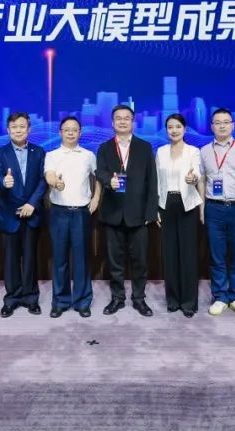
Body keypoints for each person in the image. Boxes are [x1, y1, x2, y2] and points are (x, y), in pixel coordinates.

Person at [95, 104, 159, 317]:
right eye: (118, 118)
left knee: (140, 261)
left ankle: (139, 299)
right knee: (115, 261)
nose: (122, 121)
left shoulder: (144, 147)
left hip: (138, 214)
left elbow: (152, 181)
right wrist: (108, 180)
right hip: (112, 212)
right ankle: (117, 298)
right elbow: (100, 171)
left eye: (126, 118)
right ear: (112, 122)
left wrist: (151, 211)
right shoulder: (104, 147)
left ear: (133, 122)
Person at [199, 108, 235, 317]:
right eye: (217, 122)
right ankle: (220, 297)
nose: (222, 126)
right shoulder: (204, 151)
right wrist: (202, 208)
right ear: (211, 126)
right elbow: (202, 179)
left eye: (226, 122)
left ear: (233, 125)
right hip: (214, 208)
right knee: (217, 256)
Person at [0, 112, 47, 317]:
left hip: (32, 213)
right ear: (8, 130)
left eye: (22, 126)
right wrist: (3, 182)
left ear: (29, 129)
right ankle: (12, 299)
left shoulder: (39, 152)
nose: (18, 130)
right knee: (10, 260)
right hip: (9, 215)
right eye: (14, 127)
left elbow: (43, 180)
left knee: (31, 259)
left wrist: (32, 203)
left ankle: (31, 298)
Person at [44, 116, 99, 318]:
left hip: (81, 213)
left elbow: (99, 178)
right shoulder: (52, 155)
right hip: (59, 212)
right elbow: (49, 175)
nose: (70, 133)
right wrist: (55, 183)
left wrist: (96, 198)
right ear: (60, 132)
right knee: (59, 259)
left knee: (81, 259)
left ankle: (82, 302)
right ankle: (60, 301)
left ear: (80, 133)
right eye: (66, 129)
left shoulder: (88, 155)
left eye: (74, 129)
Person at [154, 113, 203, 317]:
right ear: (166, 130)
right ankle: (173, 299)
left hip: (187, 204)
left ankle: (189, 302)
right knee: (170, 254)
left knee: (188, 254)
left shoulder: (193, 151)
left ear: (185, 129)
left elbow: (197, 173)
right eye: (170, 127)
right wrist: (156, 208)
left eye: (178, 127)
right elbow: (157, 181)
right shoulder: (160, 152)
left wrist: (193, 179)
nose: (174, 130)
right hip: (166, 204)